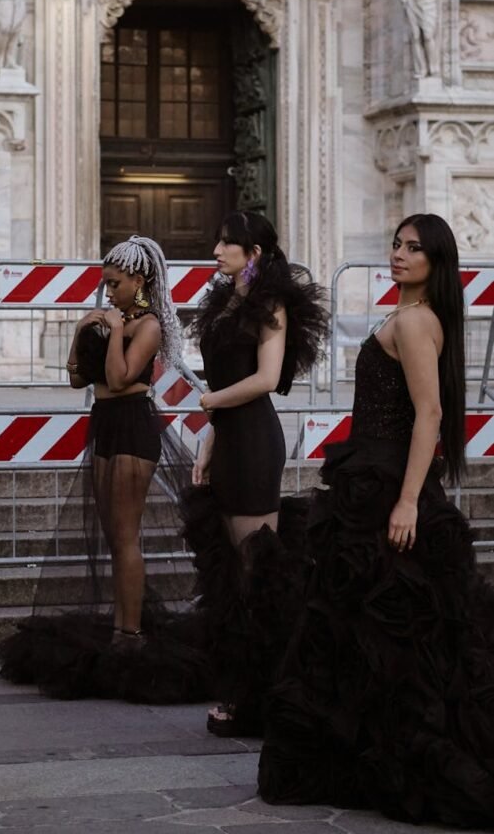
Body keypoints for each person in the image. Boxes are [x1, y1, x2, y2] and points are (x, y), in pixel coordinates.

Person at [258, 214, 494, 828]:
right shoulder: (412, 315)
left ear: (436, 262)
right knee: (367, 632)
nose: (398, 254)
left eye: (414, 248)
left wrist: (409, 501)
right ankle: (367, 754)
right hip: (372, 482)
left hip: (388, 490)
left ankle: (394, 755)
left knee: (387, 633)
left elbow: (429, 414)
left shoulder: (415, 321)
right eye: (396, 243)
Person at [0, 235, 206, 701]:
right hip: (104, 423)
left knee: (126, 535)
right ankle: (121, 623)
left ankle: (129, 632)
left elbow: (119, 377)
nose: (108, 291)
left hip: (132, 425)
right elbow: (77, 378)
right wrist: (80, 330)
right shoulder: (113, 318)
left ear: (139, 281)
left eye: (115, 284)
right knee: (113, 534)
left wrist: (112, 330)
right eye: (105, 284)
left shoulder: (148, 325)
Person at [182, 210, 328, 737]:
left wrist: (211, 403)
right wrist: (208, 442)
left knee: (255, 572)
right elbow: (225, 381)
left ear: (255, 253)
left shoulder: (271, 304)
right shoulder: (226, 301)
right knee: (232, 574)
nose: (217, 251)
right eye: (218, 241)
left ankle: (263, 696)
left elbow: (265, 379)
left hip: (256, 444)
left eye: (228, 243)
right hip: (229, 439)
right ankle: (243, 688)